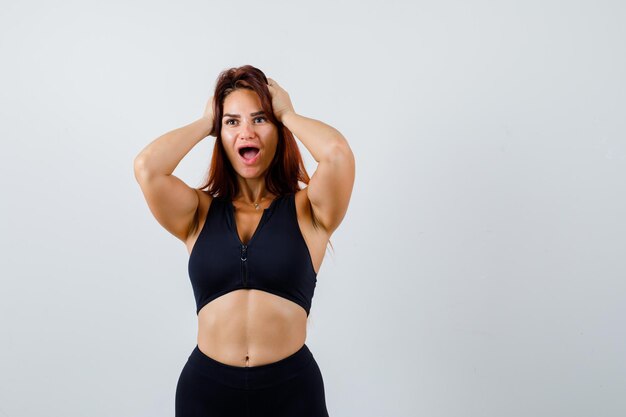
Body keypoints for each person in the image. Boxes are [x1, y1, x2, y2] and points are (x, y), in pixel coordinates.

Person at [133, 65, 355, 416]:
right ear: (219, 135)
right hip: (206, 392)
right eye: (232, 122)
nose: (246, 131)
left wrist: (288, 114)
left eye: (260, 119)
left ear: (278, 130)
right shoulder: (197, 213)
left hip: (292, 393)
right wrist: (206, 121)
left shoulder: (309, 211)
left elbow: (337, 154)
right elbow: (147, 167)